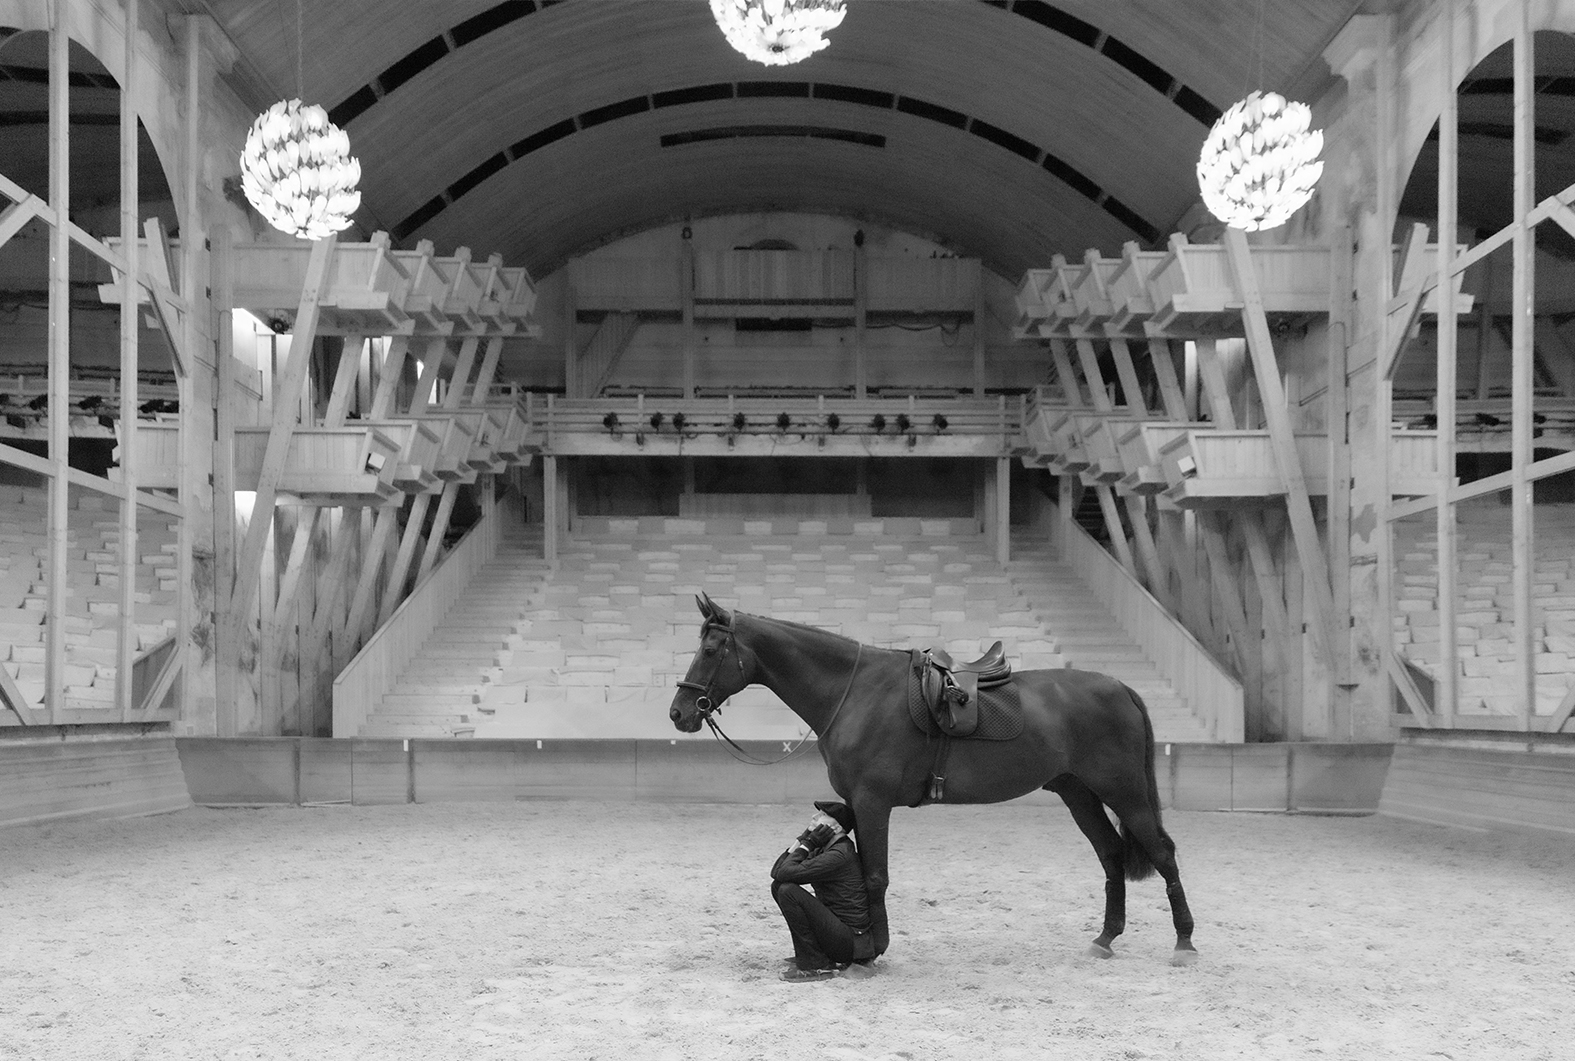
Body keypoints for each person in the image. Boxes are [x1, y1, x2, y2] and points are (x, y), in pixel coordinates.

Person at [769, 800, 876, 982]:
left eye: (822, 815)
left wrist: (808, 843)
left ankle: (815, 965)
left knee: (788, 891)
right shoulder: (823, 847)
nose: (814, 817)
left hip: (849, 942)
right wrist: (803, 840)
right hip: (836, 931)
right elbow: (777, 873)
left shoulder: (838, 855)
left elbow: (785, 872)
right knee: (779, 887)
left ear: (835, 827)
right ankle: (814, 957)